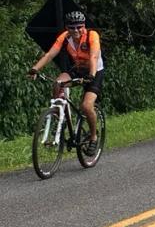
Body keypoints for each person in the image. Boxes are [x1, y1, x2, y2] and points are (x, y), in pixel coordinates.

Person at [28, 10, 104, 155]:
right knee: (57, 83)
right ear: (67, 28)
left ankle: (93, 137)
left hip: (95, 72)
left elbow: (93, 57)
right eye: (71, 27)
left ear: (84, 26)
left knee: (87, 106)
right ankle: (59, 116)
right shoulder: (65, 37)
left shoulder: (92, 36)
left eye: (79, 26)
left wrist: (91, 76)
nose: (75, 30)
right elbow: (50, 54)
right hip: (77, 69)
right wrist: (34, 69)